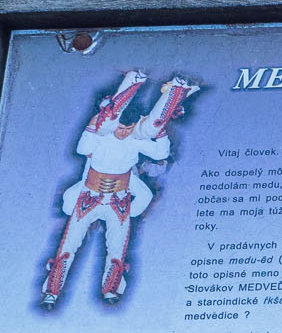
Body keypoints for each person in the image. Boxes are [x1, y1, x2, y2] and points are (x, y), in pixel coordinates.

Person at [42, 71, 200, 308]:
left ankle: (111, 290)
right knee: (68, 247)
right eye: (121, 127)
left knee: (116, 251)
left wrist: (162, 129)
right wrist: (95, 123)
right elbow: (83, 147)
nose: (124, 132)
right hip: (89, 196)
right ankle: (51, 293)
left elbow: (161, 153)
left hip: (120, 199)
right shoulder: (102, 137)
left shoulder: (136, 140)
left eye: (129, 128)